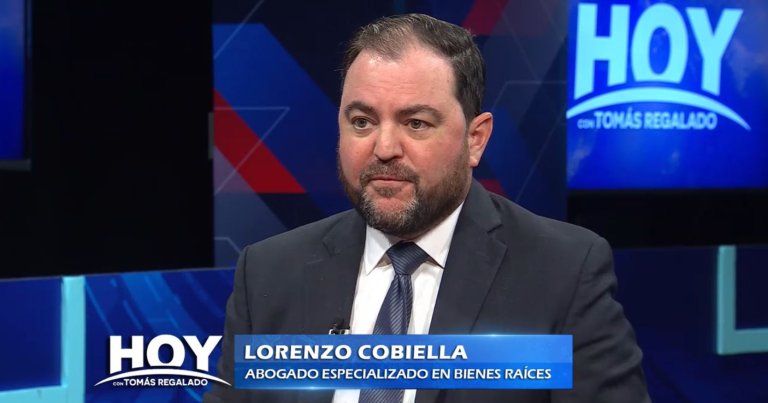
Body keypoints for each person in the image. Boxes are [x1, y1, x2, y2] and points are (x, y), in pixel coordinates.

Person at [205, 13, 650, 403]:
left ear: (475, 139)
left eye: (416, 123)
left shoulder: (562, 272)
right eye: (362, 122)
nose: (383, 148)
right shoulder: (269, 273)